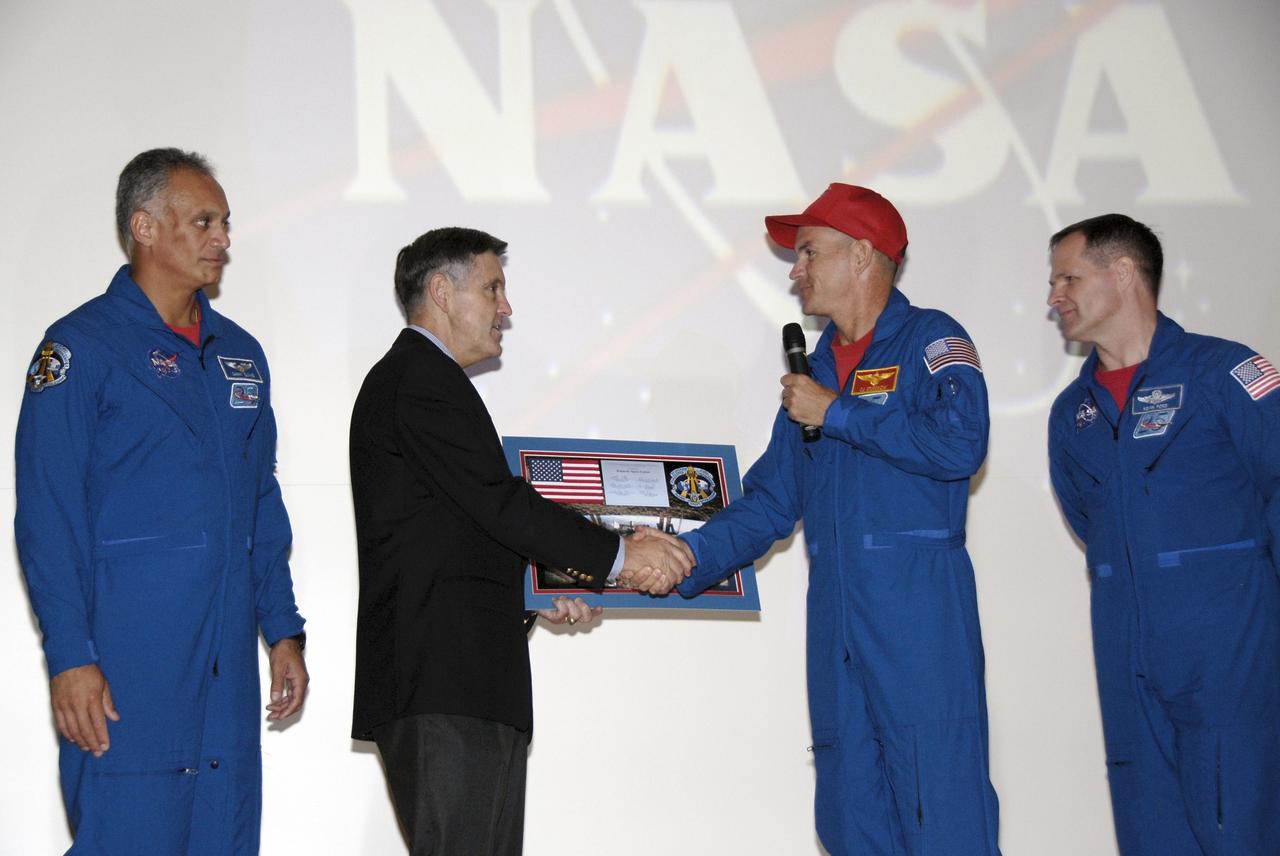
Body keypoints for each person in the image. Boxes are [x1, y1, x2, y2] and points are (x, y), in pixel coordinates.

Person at [674, 184, 1001, 855]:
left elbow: (960, 444)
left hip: (917, 621)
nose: (795, 271)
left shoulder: (932, 339)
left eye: (808, 252)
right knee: (851, 821)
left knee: (941, 813)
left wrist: (840, 413)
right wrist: (683, 556)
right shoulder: (817, 372)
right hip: (838, 626)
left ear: (862, 255)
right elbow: (771, 500)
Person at [348, 226, 693, 855]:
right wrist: (618, 556)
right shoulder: (421, 379)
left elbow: (455, 528)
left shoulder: (426, 381)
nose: (507, 308)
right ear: (441, 292)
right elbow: (498, 502)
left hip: (463, 682)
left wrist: (534, 590)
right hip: (444, 685)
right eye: (493, 288)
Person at [14, 148, 308, 854]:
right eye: (204, 221)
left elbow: (258, 503)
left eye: (226, 223)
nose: (223, 239)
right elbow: (47, 514)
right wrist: (70, 657)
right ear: (145, 227)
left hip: (224, 674)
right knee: (126, 836)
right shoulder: (81, 348)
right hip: (127, 664)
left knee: (222, 833)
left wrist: (282, 628)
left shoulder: (241, 354)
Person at [1046, 214, 1280, 853]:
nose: (1053, 296)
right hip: (1128, 664)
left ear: (1123, 274)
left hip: (1229, 664)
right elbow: (1089, 522)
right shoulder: (1073, 415)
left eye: (1069, 277)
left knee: (1242, 832)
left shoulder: (1224, 372)